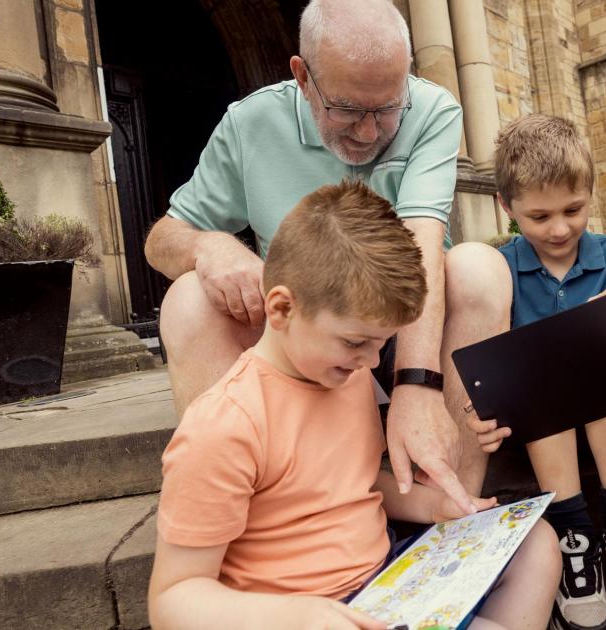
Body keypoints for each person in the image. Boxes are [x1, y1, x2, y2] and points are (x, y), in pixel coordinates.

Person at [147, 180, 560, 630]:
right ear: (281, 309)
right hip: (296, 613)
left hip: (387, 584)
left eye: (381, 345)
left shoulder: (349, 376)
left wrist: (432, 508)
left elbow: (353, 487)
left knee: (537, 542)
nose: (370, 361)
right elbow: (173, 599)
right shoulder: (222, 426)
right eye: (355, 342)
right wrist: (293, 616)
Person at [144, 0, 483, 515]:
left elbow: (422, 241)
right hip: (302, 335)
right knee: (189, 299)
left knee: (481, 271)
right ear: (302, 77)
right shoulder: (250, 123)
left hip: (409, 323)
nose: (369, 134)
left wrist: (418, 386)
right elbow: (162, 238)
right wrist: (208, 245)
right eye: (346, 109)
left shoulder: (433, 109)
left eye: (388, 108)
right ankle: (247, 514)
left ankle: (454, 511)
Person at [463, 114, 606, 630]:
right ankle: (574, 540)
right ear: (505, 208)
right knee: (546, 376)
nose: (559, 229)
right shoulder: (499, 267)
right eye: (538, 217)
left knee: (598, 366)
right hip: (539, 429)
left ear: (589, 194)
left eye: (573, 210)